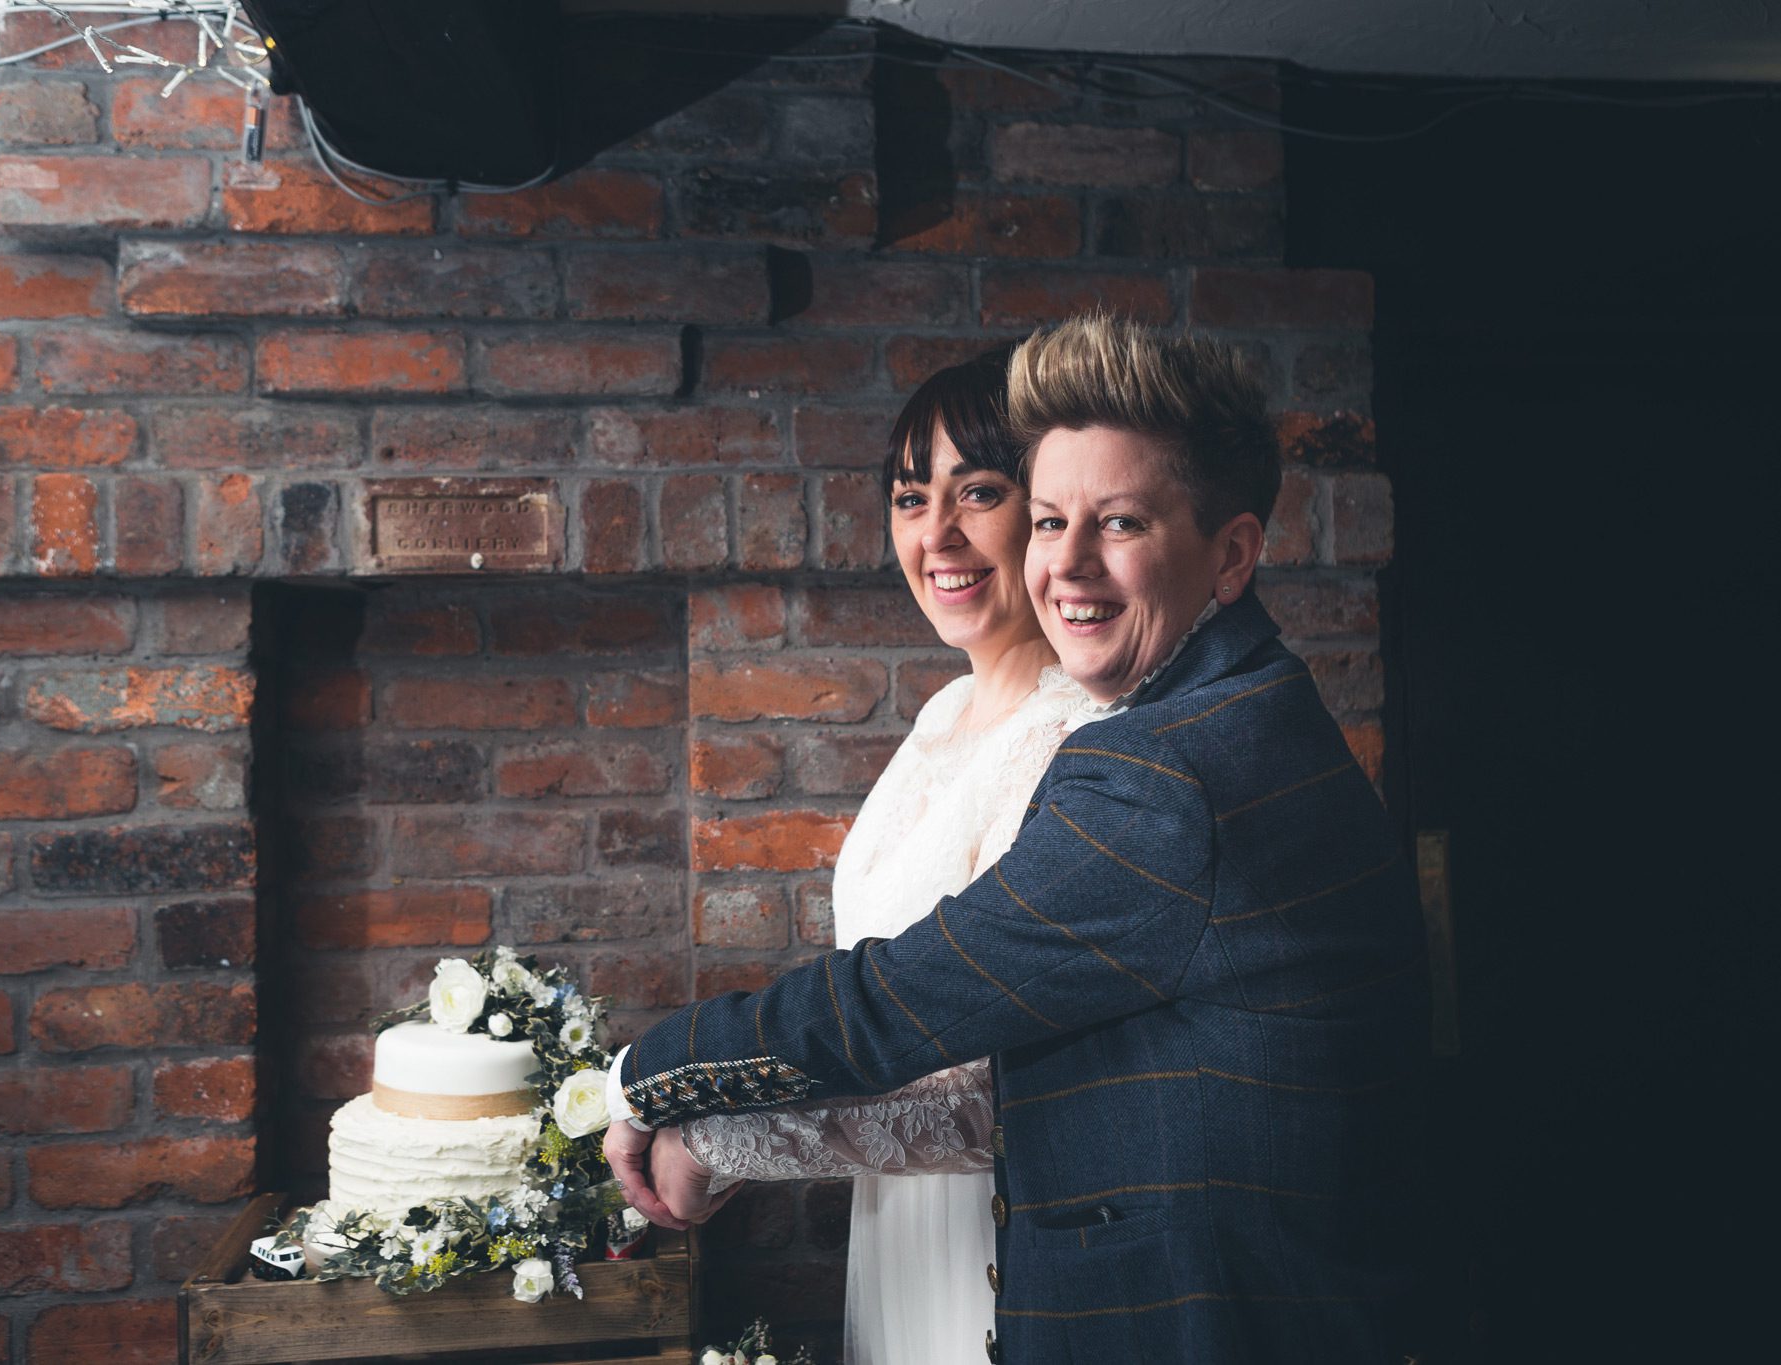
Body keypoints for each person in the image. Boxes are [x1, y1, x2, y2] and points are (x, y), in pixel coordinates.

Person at [609, 316, 1427, 1362]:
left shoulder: (1163, 775)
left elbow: (897, 1002)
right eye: (1049, 521)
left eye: (1120, 524)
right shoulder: (1241, 707)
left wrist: (646, 1077)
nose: (1068, 568)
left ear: (1229, 555)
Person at [675, 348, 1102, 1363]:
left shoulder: (1083, 739)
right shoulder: (946, 711)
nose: (936, 536)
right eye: (911, 500)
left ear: (1045, 513)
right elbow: (868, 988)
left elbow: (1003, 1086)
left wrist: (728, 1138)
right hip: (895, 1223)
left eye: (978, 493)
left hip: (1001, 1233)